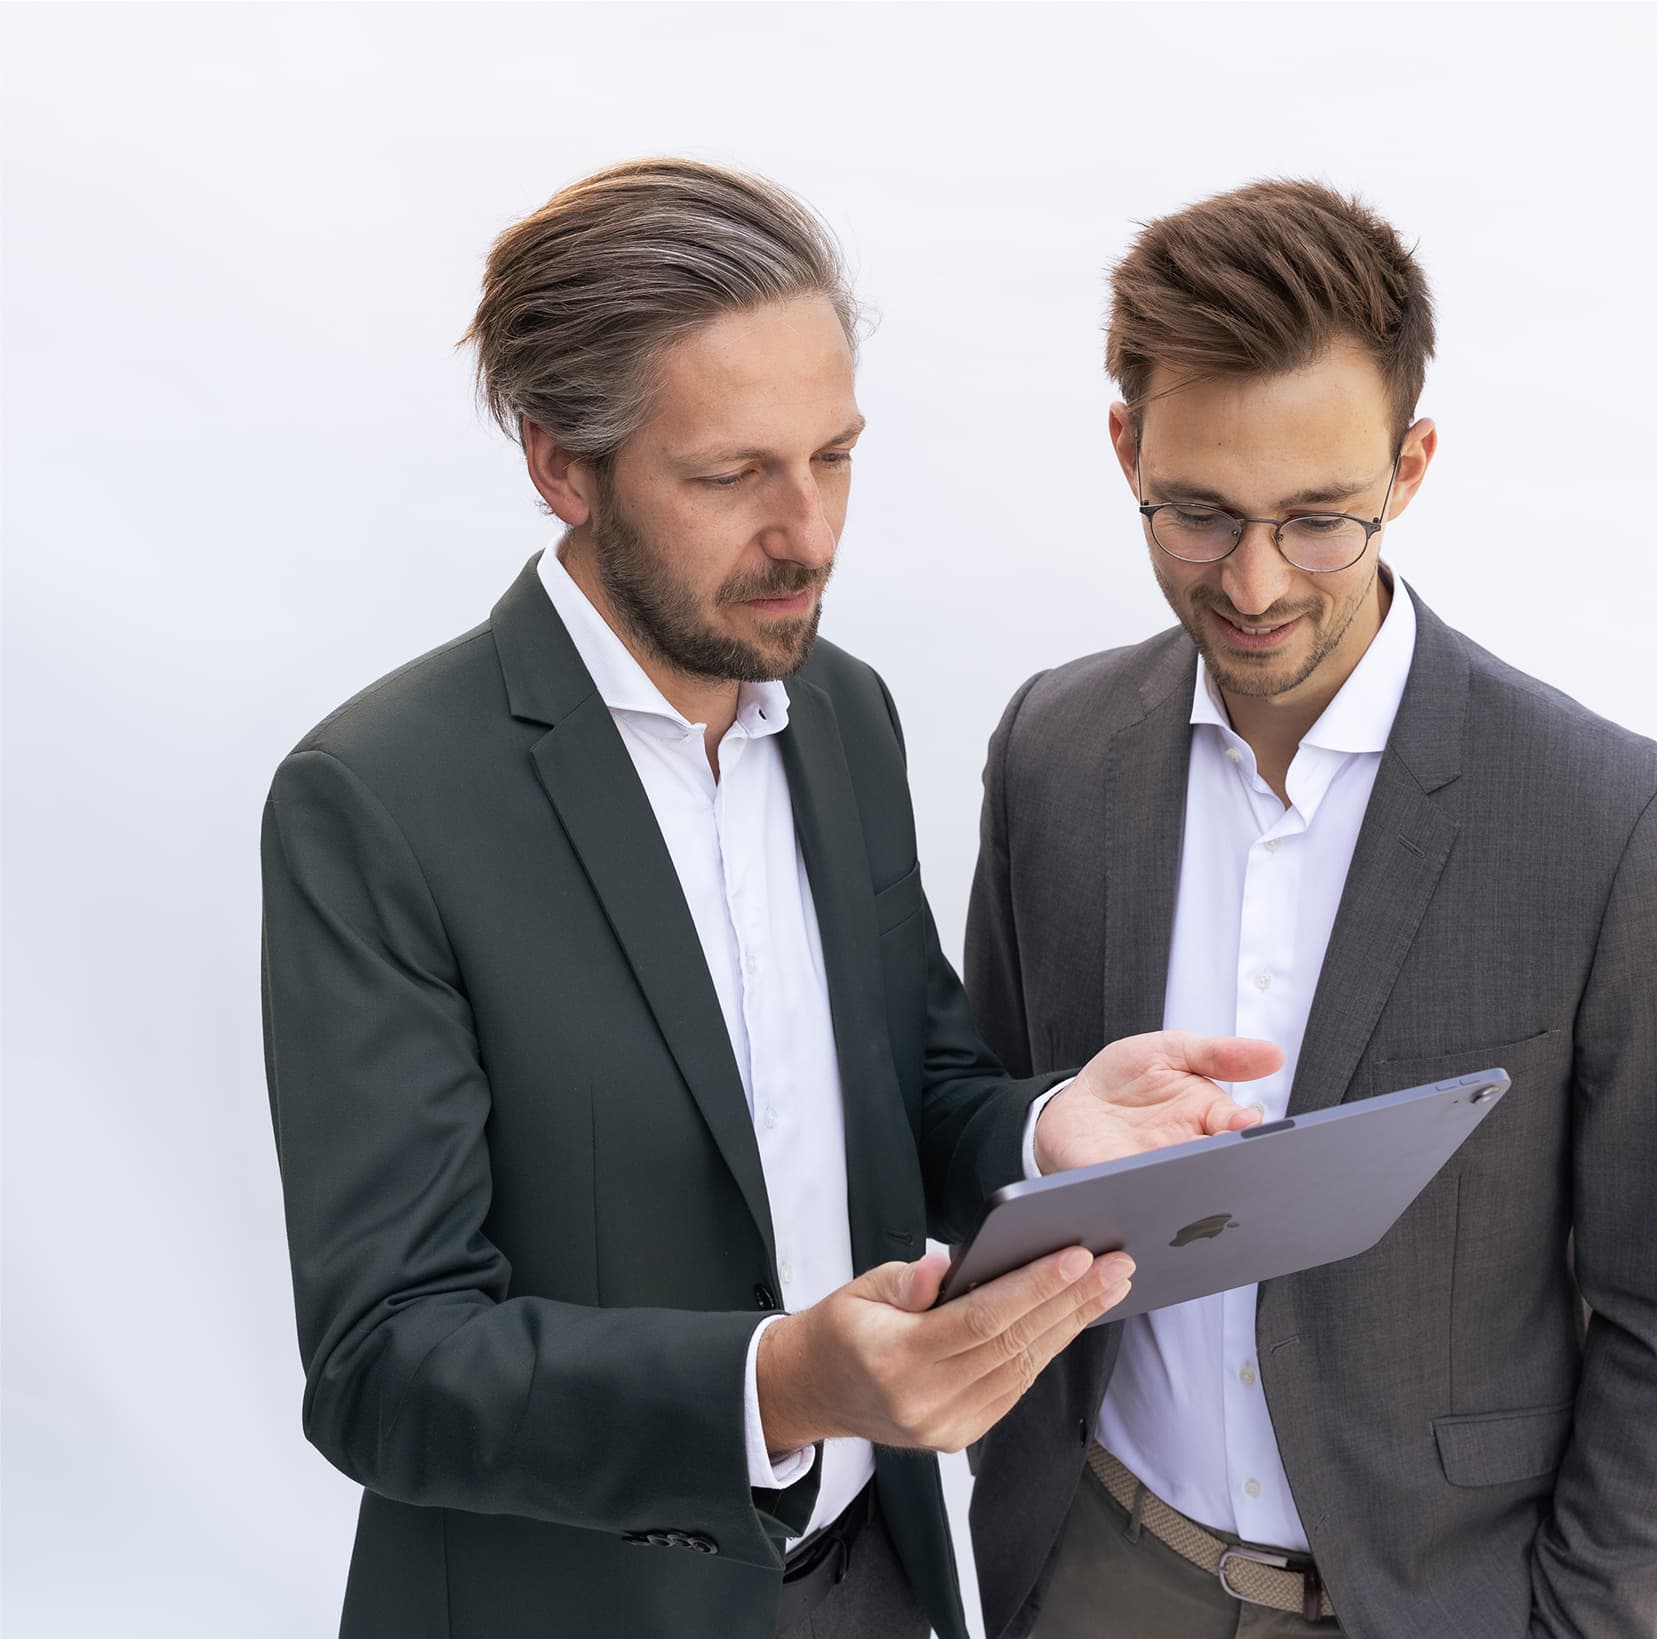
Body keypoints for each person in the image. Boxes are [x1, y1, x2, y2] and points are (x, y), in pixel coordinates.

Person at [258, 157, 1280, 1639]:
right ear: (561, 464)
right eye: (731, 474)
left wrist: (1051, 1125)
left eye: (836, 456)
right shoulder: (379, 801)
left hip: (879, 1582)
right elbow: (385, 1366)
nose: (808, 533)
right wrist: (781, 1386)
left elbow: (907, 1083)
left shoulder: (841, 715)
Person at [963, 180, 1657, 1639]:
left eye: (1317, 521)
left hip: (1426, 1602)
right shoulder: (1050, 752)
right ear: (1123, 448)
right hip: (1087, 1568)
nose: (1256, 584)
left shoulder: (1615, 824)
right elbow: (983, 1130)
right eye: (1199, 513)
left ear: (1410, 465)